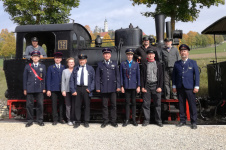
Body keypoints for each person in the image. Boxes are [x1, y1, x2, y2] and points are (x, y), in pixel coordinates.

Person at [172, 44, 200, 129]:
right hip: (180, 87)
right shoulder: (177, 63)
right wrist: (174, 86)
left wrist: (196, 86)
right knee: (181, 105)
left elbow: (197, 75)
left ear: (188, 53)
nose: (183, 53)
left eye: (185, 51)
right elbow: (174, 76)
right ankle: (182, 121)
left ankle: (193, 122)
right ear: (180, 53)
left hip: (190, 87)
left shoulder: (193, 62)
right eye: (182, 51)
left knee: (192, 105)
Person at [96, 48, 120, 128]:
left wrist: (118, 86)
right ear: (103, 55)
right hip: (104, 88)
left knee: (114, 105)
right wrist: (98, 87)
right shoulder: (100, 64)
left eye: (108, 54)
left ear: (110, 55)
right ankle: (105, 121)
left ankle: (113, 121)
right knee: (104, 105)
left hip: (113, 88)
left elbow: (118, 76)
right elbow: (98, 77)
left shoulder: (115, 63)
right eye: (105, 54)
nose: (106, 55)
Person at [70, 54, 95, 128]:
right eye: (80, 60)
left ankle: (86, 121)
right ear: (79, 61)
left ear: (86, 60)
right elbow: (72, 80)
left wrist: (90, 89)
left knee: (87, 106)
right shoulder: (76, 68)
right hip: (77, 88)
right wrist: (73, 90)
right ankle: (77, 121)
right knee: (77, 106)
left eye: (83, 60)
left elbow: (94, 80)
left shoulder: (90, 69)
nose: (82, 61)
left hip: (87, 89)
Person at [141, 49, 163, 127]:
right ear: (147, 55)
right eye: (149, 54)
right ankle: (146, 120)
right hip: (147, 86)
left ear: (154, 55)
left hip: (156, 85)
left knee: (157, 104)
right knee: (146, 104)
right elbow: (142, 76)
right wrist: (142, 87)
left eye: (152, 54)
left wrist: (160, 86)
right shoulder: (144, 64)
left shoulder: (158, 64)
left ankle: (158, 120)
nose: (150, 55)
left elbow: (161, 76)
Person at [23, 50, 46, 127]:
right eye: (34, 57)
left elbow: (44, 78)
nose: (35, 58)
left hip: (39, 88)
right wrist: (25, 89)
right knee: (29, 105)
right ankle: (30, 121)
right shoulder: (27, 66)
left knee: (40, 104)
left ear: (39, 58)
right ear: (32, 58)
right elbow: (25, 78)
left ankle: (40, 120)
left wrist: (44, 88)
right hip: (30, 88)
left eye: (37, 57)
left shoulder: (43, 66)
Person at [120, 49, 140, 127]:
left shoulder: (136, 64)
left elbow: (138, 75)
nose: (129, 56)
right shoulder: (123, 64)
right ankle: (127, 119)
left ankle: (134, 119)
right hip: (126, 86)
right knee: (127, 103)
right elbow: (121, 75)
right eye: (128, 55)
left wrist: (138, 86)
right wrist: (122, 86)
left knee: (134, 103)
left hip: (134, 86)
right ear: (126, 55)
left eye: (131, 55)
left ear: (132, 56)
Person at [46, 52, 66, 125]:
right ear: (54, 59)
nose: (57, 59)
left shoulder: (64, 67)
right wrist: (48, 89)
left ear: (61, 59)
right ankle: (55, 119)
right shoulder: (50, 68)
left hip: (62, 89)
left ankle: (61, 118)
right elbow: (48, 79)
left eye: (59, 58)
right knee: (54, 105)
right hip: (53, 89)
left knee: (61, 104)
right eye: (56, 58)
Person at [61, 57, 75, 126]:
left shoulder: (76, 70)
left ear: (74, 63)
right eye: (70, 62)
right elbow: (63, 81)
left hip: (74, 91)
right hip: (67, 91)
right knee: (68, 106)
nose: (71, 63)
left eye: (72, 62)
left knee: (74, 105)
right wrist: (63, 90)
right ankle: (69, 119)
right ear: (68, 64)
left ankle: (73, 119)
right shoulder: (65, 71)